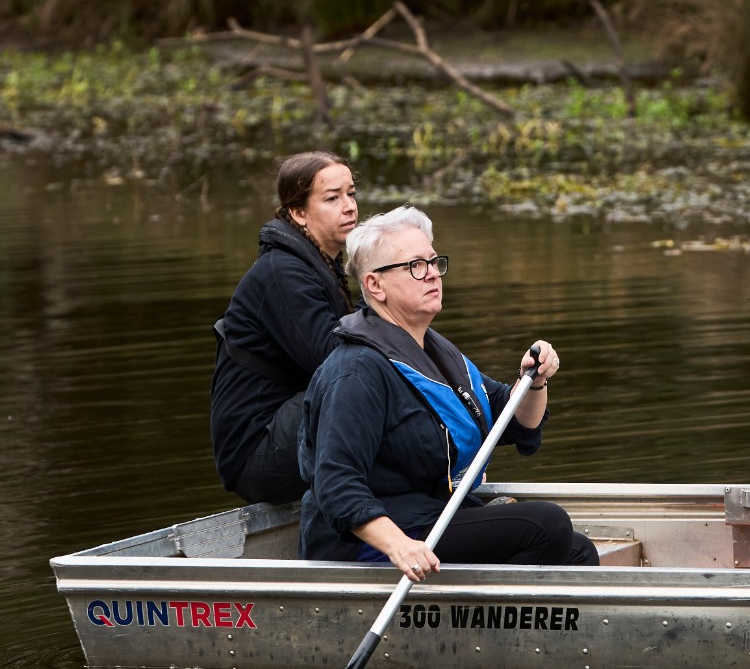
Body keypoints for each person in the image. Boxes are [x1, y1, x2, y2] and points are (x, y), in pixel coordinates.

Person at [298, 206, 599, 572]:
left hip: (430, 514)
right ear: (375, 285)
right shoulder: (356, 371)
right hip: (371, 542)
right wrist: (400, 546)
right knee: (547, 525)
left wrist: (533, 382)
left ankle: (501, 625)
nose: (432, 276)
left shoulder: (432, 351)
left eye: (434, 262)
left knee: (577, 552)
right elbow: (336, 483)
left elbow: (512, 420)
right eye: (415, 266)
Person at [210, 151, 358, 504]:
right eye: (332, 198)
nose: (350, 206)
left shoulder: (321, 265)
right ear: (299, 213)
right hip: (257, 455)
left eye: (351, 193)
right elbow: (334, 365)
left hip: (287, 431)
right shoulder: (282, 272)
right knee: (357, 384)